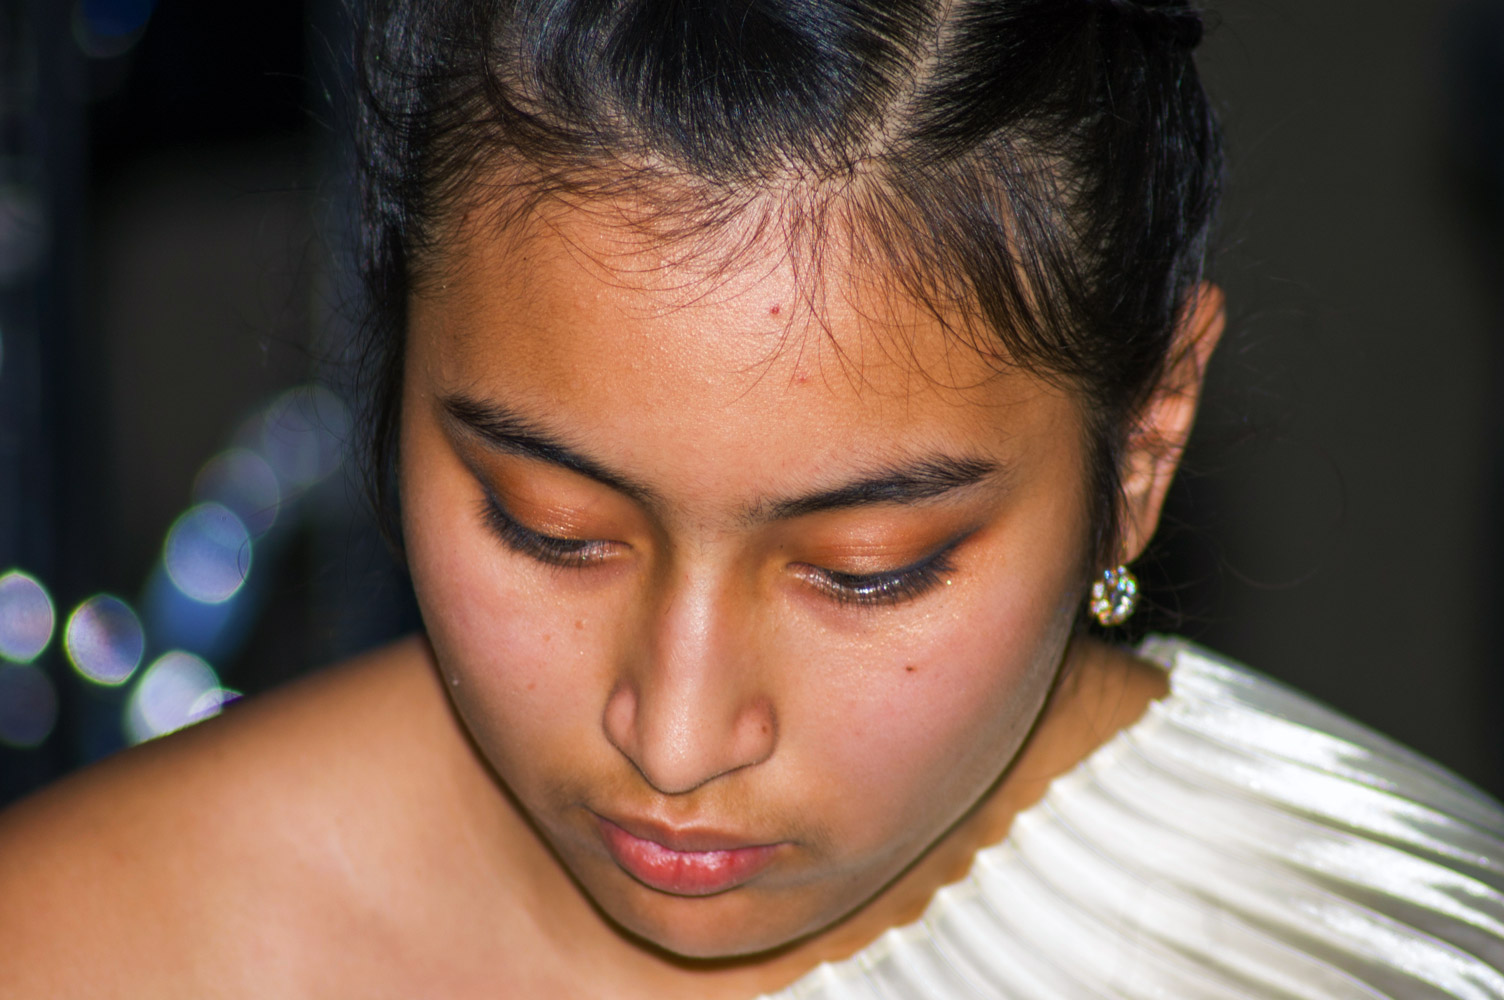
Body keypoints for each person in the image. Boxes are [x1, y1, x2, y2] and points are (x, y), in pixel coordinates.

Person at [2, 0, 1502, 995]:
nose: (674, 734)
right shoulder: (83, 953)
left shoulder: (1382, 953)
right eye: (547, 525)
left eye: (867, 567)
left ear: (1143, 456)